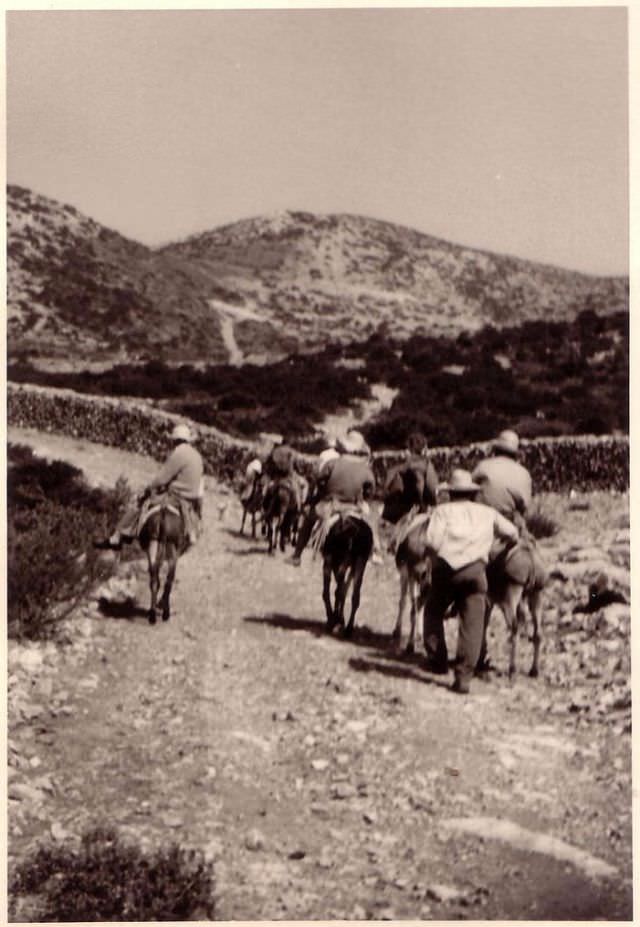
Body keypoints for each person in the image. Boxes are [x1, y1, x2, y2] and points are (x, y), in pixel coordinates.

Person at [421, 468, 519, 694]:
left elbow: (433, 543)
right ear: (472, 492)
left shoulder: (441, 511)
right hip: (476, 571)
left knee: (433, 611)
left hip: (446, 571)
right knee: (472, 623)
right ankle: (464, 677)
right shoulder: (487, 512)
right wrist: (493, 549)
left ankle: (438, 661)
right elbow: (513, 533)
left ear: (451, 492)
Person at [93, 422, 204, 550]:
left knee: (139, 503)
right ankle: (190, 534)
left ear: (175, 440)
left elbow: (162, 478)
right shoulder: (197, 456)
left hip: (175, 496)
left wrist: (148, 488)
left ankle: (118, 536)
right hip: (190, 500)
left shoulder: (178, 453)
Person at [288, 430, 381, 565]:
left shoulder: (332, 463)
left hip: (330, 504)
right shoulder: (365, 468)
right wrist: (362, 498)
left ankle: (297, 555)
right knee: (371, 522)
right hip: (355, 506)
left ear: (343, 446)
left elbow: (319, 480)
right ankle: (375, 551)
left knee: (308, 520)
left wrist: (321, 493)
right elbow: (371, 489)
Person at [471, 430, 532, 530]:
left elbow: (469, 489)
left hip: (482, 519)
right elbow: (524, 506)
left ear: (495, 450)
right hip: (509, 522)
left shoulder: (483, 466)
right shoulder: (524, 473)